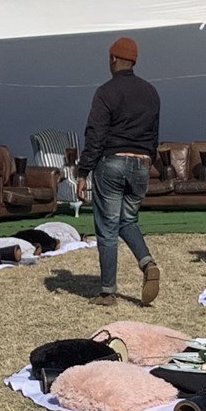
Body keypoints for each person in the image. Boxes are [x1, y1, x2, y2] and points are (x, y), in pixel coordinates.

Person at [76, 35, 161, 302]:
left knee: (108, 228)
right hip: (141, 164)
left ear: (113, 58)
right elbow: (154, 134)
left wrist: (83, 172)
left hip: (112, 163)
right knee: (128, 220)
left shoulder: (106, 92)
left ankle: (107, 292)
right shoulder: (151, 92)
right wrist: (148, 160)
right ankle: (147, 263)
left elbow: (96, 134)